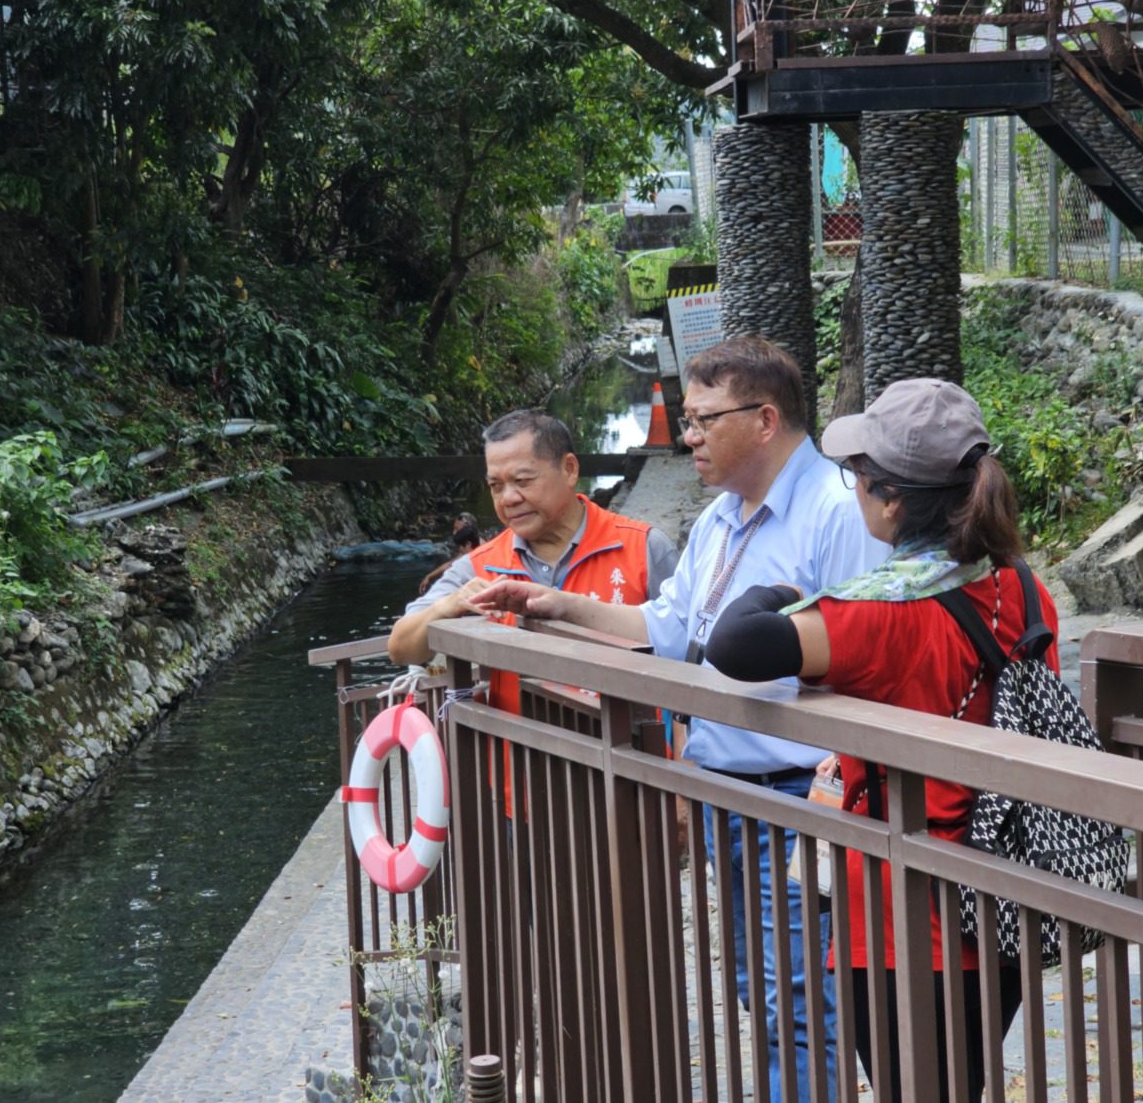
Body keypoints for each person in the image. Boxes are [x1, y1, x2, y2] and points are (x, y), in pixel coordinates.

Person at [472, 336, 890, 1100]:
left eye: (702, 419)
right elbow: (667, 626)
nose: (686, 434)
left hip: (798, 795)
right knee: (761, 996)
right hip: (723, 793)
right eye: (686, 418)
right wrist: (555, 604)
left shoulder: (835, 513)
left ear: (764, 421)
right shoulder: (722, 518)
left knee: (796, 1003)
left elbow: (868, 657)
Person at [702, 378, 1058, 1103]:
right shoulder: (1021, 586)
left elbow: (733, 642)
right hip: (1003, 891)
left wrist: (777, 590)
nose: (853, 488)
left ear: (890, 499)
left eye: (857, 475)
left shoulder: (881, 615)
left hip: (901, 916)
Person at [387, 410, 677, 707]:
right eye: (495, 486)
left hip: (629, 750)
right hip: (518, 751)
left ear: (569, 469)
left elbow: (688, 652)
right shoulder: (479, 567)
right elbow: (401, 648)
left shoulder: (643, 548)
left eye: (522, 480)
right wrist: (448, 605)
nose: (508, 498)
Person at [418, 512, 483, 596]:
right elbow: (451, 563)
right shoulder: (469, 545)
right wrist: (429, 576)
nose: (454, 532)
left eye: (457, 529)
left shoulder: (479, 547)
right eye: (454, 529)